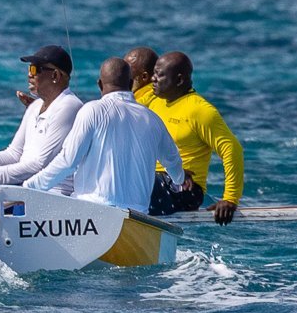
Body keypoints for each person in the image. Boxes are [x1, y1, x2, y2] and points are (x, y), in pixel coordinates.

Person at [24, 57, 184, 213]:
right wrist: (180, 181)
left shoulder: (92, 110)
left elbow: (67, 161)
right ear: (130, 84)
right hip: (138, 216)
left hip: (94, 211)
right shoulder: (153, 119)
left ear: (100, 84)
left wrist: (30, 187)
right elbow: (173, 162)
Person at [144, 50, 244, 224]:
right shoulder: (154, 102)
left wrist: (230, 199)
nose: (152, 79)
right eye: (153, 74)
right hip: (153, 182)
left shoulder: (200, 111)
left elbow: (232, 149)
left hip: (186, 190)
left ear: (180, 80)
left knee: (136, 183)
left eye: (159, 75)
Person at [0, 45, 82, 190]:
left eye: (35, 69)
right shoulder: (35, 107)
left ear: (55, 75)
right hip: (25, 190)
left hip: (55, 194)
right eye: (29, 69)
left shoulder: (69, 106)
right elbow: (14, 153)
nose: (29, 75)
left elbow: (39, 164)